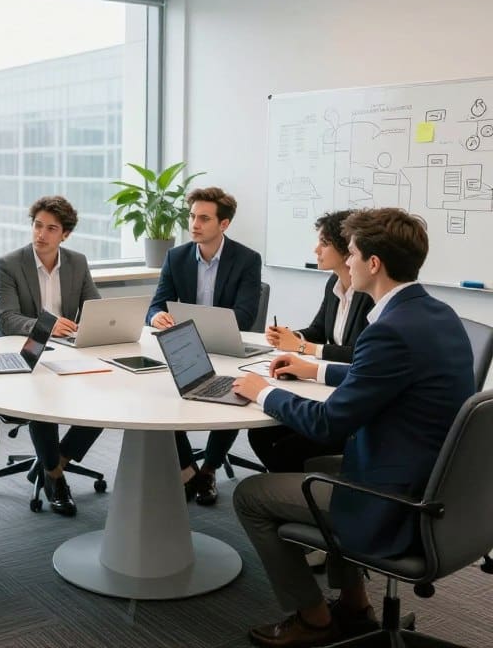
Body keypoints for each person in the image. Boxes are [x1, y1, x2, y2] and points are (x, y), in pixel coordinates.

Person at [231, 207, 474, 648]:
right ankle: (356, 603)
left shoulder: (391, 329)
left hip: (398, 498)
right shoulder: (436, 314)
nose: (348, 262)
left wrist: (260, 391)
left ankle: (314, 617)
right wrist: (315, 371)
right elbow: (381, 377)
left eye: (354, 254)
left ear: (373, 264)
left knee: (250, 496)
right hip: (438, 482)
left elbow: (327, 422)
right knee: (313, 462)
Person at [146, 186, 261, 505]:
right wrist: (156, 318)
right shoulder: (176, 256)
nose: (194, 224)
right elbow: (156, 305)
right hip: (186, 348)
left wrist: (199, 322)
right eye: (192, 216)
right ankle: (187, 470)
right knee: (162, 396)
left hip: (226, 347)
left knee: (236, 393)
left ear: (223, 224)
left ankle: (209, 470)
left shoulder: (247, 259)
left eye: (204, 218)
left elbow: (246, 315)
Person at [0, 196, 102, 516]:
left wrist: (95, 324)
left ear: (64, 234)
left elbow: (94, 306)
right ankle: (54, 476)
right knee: (43, 402)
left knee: (107, 396)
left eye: (51, 228)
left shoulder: (77, 262)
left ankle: (55, 460)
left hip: (65, 352)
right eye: (37, 225)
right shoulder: (9, 263)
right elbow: (7, 319)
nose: (41, 233)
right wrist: (48, 325)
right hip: (24, 352)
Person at [250, 210, 374, 473]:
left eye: (324, 243)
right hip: (330, 388)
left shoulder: (368, 294)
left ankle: (295, 493)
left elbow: (358, 355)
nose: (316, 249)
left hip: (346, 400)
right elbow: (319, 328)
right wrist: (293, 337)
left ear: (347, 251)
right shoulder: (335, 282)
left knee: (284, 445)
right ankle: (289, 487)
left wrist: (303, 348)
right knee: (259, 434)